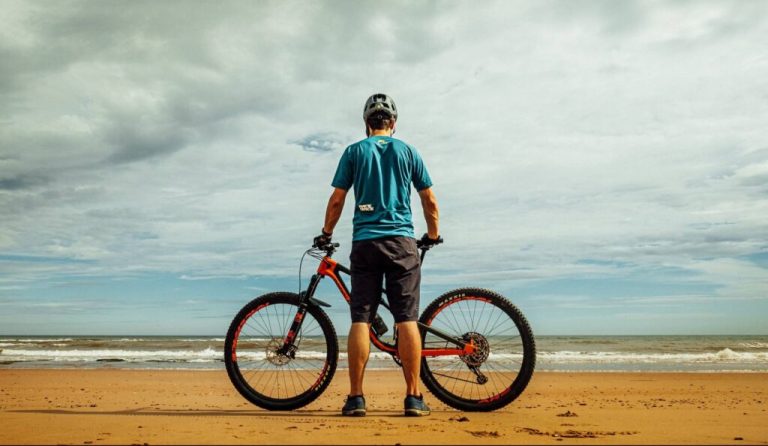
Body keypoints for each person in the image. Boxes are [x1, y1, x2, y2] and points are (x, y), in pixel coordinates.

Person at [313, 93, 440, 417]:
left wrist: (326, 233)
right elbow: (429, 199)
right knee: (406, 319)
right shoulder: (408, 151)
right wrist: (433, 234)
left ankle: (356, 397)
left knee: (360, 318)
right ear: (393, 123)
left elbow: (337, 199)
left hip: (365, 243)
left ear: (366, 123)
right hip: (401, 243)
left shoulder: (354, 151)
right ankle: (413, 397)